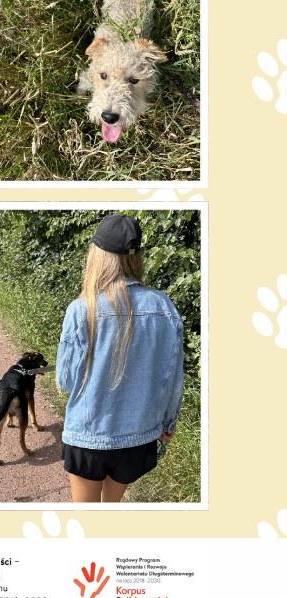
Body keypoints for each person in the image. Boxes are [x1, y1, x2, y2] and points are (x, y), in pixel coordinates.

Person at [55, 215, 184, 503]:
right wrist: (168, 423)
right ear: (136, 257)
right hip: (137, 437)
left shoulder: (81, 309)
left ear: (97, 257)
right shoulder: (164, 306)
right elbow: (173, 375)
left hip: (88, 437)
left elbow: (65, 381)